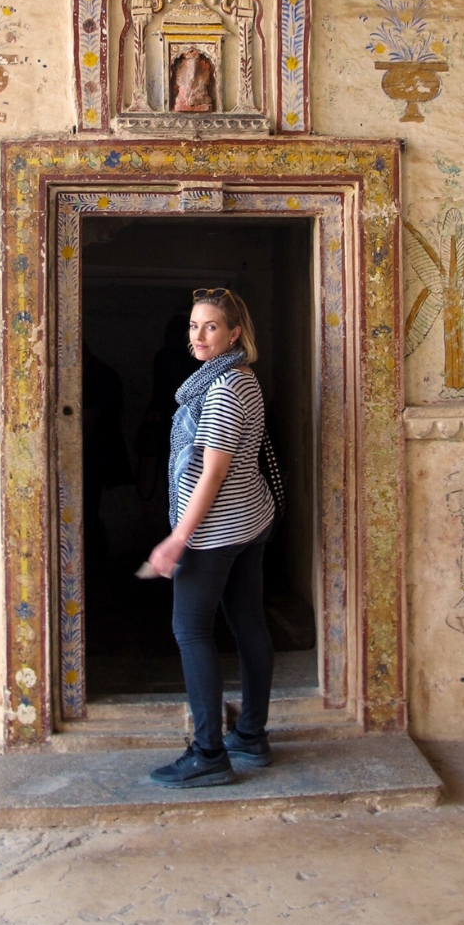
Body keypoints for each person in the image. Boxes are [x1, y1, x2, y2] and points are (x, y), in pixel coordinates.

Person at [144, 287, 275, 788]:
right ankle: (251, 735)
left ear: (234, 333)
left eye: (211, 327)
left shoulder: (223, 389)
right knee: (248, 625)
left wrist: (179, 536)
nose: (198, 336)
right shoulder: (240, 377)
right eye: (194, 326)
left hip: (216, 531)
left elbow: (212, 474)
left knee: (191, 631)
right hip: (250, 521)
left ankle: (208, 753)